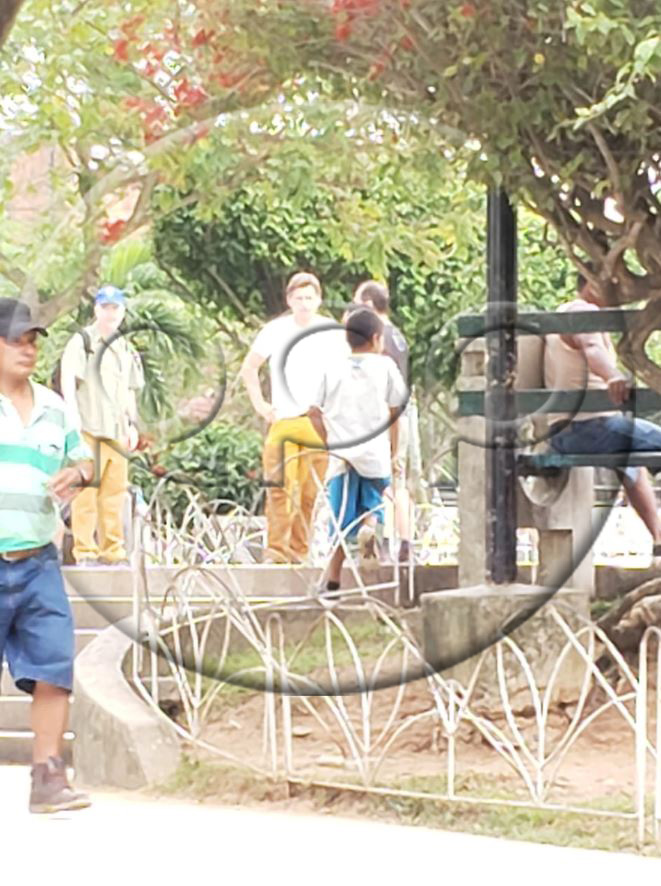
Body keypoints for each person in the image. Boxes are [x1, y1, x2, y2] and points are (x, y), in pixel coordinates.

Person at [0, 297, 93, 813]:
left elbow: (84, 461)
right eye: (16, 340)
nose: (28, 350)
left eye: (33, 340)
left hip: (38, 561)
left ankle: (49, 779)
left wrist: (77, 474)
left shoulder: (55, 407)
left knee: (55, 668)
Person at [544, 272, 661, 555]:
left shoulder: (572, 313)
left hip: (572, 431)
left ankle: (659, 539)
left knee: (632, 466)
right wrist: (613, 376)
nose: (621, 289)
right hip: (586, 427)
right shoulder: (583, 311)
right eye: (615, 282)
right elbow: (592, 348)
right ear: (591, 282)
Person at [240, 272, 345, 564]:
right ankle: (276, 551)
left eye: (309, 298)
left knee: (310, 492)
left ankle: (299, 551)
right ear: (289, 300)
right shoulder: (276, 330)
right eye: (299, 298)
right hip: (284, 419)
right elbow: (250, 367)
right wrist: (261, 405)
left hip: (317, 421)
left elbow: (344, 374)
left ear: (318, 300)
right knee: (280, 488)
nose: (304, 304)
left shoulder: (330, 332)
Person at [308, 307, 408, 595]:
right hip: (375, 455)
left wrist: (329, 441)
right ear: (376, 338)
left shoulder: (330, 368)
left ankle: (333, 580)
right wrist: (394, 451)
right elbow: (395, 412)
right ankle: (370, 527)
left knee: (340, 518)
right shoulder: (386, 367)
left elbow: (313, 412)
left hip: (342, 456)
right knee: (373, 503)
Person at [60, 285, 144, 566]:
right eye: (105, 307)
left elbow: (130, 390)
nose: (110, 313)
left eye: (115, 308)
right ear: (96, 309)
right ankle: (85, 551)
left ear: (122, 311)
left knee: (114, 495)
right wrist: (73, 420)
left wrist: (132, 425)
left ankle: (113, 552)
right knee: (86, 495)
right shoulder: (83, 341)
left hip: (117, 433)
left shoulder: (125, 347)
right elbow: (68, 381)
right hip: (89, 429)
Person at [353, 281, 416, 561]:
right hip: (402, 412)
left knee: (378, 479)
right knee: (399, 480)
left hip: (382, 417)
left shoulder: (377, 337)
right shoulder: (398, 336)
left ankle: (378, 540)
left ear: (368, 304)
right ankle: (405, 543)